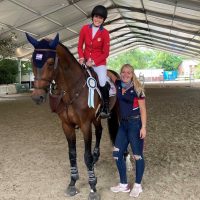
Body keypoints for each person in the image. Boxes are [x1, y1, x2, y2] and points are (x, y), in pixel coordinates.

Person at [110, 64, 147, 198]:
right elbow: (107, 73)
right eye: (123, 72)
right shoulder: (118, 83)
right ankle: (123, 184)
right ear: (120, 73)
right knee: (116, 154)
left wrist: (143, 127)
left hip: (135, 124)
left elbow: (143, 110)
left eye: (129, 73)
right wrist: (91, 64)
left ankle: (138, 185)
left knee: (138, 156)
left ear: (132, 74)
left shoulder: (138, 89)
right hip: (123, 125)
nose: (126, 74)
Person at [77, 5, 110, 118]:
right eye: (96, 16)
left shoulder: (105, 33)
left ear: (103, 20)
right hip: (85, 62)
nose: (98, 19)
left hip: (99, 64)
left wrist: (94, 62)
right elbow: (80, 46)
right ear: (93, 17)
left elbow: (105, 53)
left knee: (101, 81)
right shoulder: (85, 29)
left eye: (101, 18)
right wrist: (81, 58)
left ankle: (106, 107)